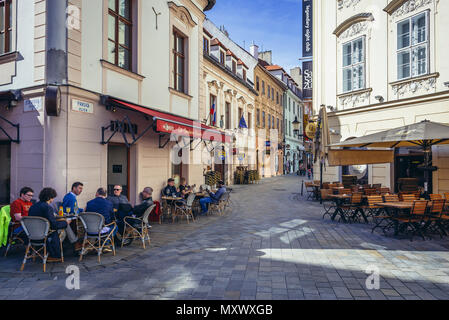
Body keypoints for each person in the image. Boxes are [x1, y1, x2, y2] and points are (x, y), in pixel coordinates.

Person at [29, 188, 78, 261]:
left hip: (32, 234)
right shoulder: (48, 207)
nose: (53, 200)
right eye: (53, 198)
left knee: (64, 225)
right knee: (64, 229)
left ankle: (74, 242)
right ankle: (55, 252)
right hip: (45, 233)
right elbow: (54, 225)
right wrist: (66, 222)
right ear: (49, 198)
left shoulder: (32, 207)